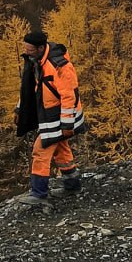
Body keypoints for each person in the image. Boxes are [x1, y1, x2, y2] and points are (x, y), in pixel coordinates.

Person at [15, 30, 83, 205]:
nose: (27, 52)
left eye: (30, 49)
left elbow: (69, 95)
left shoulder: (59, 66)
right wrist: (20, 109)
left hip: (59, 117)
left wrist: (67, 125)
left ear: (40, 48)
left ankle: (39, 194)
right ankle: (72, 185)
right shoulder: (36, 62)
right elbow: (30, 89)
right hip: (49, 116)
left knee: (41, 150)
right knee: (61, 149)